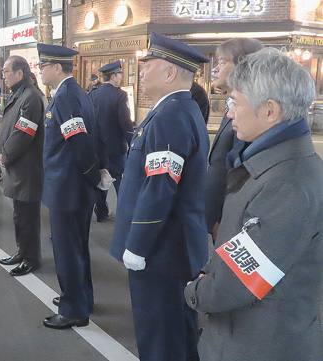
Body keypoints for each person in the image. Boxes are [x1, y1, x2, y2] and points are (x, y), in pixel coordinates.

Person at [185, 47, 323, 361]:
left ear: (270, 111)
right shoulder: (269, 164)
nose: (229, 112)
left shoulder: (288, 185)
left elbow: (237, 283)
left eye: (235, 102)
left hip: (259, 344)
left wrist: (194, 290)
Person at [110, 32, 210, 361]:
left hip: (160, 250)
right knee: (177, 333)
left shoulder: (171, 115)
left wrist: (137, 246)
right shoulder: (176, 110)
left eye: (148, 66)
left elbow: (160, 187)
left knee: (159, 336)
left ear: (169, 73)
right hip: (172, 247)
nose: (141, 72)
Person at [37, 43, 103, 330]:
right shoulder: (74, 92)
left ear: (55, 67)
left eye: (42, 65)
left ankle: (73, 308)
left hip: (68, 187)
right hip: (73, 186)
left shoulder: (65, 96)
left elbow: (80, 141)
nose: (39, 70)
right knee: (77, 248)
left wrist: (91, 175)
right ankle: (81, 297)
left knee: (67, 250)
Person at [205, 38, 263, 241]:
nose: (215, 69)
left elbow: (241, 173)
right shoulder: (232, 105)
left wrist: (227, 220)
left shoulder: (250, 112)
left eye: (222, 62)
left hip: (231, 221)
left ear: (242, 64)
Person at [0, 55, 45, 276]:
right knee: (19, 214)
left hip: (27, 167)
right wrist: (1, 151)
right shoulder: (19, 94)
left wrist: (5, 155)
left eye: (7, 71)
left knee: (28, 216)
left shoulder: (31, 97)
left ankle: (31, 257)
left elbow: (23, 134)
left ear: (20, 73)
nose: (3, 75)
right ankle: (21, 251)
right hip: (17, 164)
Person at [89, 61, 134, 222]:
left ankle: (101, 211)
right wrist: (131, 142)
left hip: (98, 147)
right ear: (113, 76)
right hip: (116, 147)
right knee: (121, 182)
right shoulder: (120, 95)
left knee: (101, 179)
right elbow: (125, 122)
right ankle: (124, 214)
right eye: (120, 74)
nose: (121, 77)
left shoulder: (93, 94)